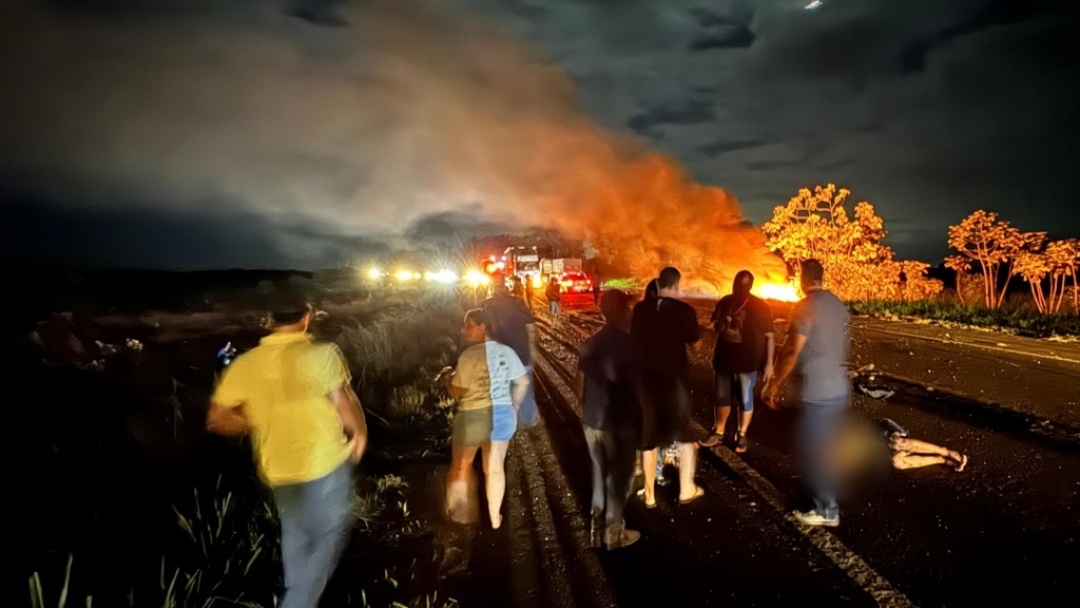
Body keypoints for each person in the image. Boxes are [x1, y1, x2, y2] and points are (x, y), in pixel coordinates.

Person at [207, 295, 367, 608]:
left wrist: (261, 414)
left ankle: (298, 591)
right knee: (329, 533)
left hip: (278, 467)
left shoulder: (245, 364)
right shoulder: (323, 353)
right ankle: (297, 602)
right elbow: (342, 399)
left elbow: (217, 418)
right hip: (325, 463)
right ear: (306, 317)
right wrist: (358, 431)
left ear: (270, 318)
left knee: (297, 533)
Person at [766, 259, 848, 527]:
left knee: (812, 450)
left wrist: (774, 383)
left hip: (818, 391)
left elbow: (791, 350)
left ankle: (827, 510)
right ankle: (826, 499)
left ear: (803, 278)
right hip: (838, 387)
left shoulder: (806, 307)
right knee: (822, 448)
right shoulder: (837, 304)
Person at [444, 309, 530, 529]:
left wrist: (447, 379)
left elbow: (457, 391)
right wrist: (514, 405)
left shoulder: (468, 356)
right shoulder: (506, 352)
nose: (465, 330)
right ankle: (494, 517)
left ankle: (460, 516)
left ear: (484, 326)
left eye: (470, 325)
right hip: (501, 415)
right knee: (493, 466)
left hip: (473, 416)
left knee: (463, 463)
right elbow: (523, 382)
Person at [631, 267, 705, 507]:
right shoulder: (685, 311)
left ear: (659, 283)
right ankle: (686, 489)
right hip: (674, 383)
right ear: (676, 284)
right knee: (683, 435)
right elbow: (695, 344)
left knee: (649, 438)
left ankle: (650, 494)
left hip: (645, 382)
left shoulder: (640, 311)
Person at [576, 289, 643, 550]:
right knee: (618, 478)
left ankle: (595, 531)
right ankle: (613, 534)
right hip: (619, 423)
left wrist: (587, 409)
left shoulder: (591, 342)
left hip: (592, 420)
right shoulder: (630, 345)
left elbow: (579, 381)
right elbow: (640, 388)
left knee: (598, 473)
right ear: (624, 312)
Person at [701, 270, 775, 453]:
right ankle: (718, 432)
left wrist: (769, 363)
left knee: (745, 398)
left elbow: (770, 337)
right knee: (721, 397)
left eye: (742, 285)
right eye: (736, 284)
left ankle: (741, 435)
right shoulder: (725, 302)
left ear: (750, 286)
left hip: (747, 362)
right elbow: (714, 325)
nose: (738, 288)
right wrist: (721, 324)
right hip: (724, 360)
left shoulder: (761, 307)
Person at [481, 272, 540, 428]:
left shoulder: (486, 306)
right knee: (525, 387)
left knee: (503, 389)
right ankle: (528, 419)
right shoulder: (518, 303)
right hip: (522, 353)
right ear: (506, 285)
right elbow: (531, 328)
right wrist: (532, 350)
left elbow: (485, 334)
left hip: (500, 357)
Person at [874, 418, 969, 471]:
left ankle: (945, 452)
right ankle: (941, 460)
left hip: (882, 431)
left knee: (901, 443)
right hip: (881, 447)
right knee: (897, 463)